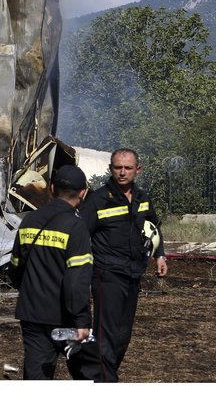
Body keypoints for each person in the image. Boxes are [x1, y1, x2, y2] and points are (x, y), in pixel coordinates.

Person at [70, 148, 169, 382]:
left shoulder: (143, 198)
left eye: (127, 168)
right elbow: (80, 235)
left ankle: (82, 363)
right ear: (110, 168)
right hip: (107, 276)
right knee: (106, 335)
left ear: (138, 170)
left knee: (123, 336)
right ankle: (106, 381)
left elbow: (153, 227)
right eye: (117, 167)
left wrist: (160, 256)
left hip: (133, 274)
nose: (122, 172)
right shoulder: (97, 200)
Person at [9, 164, 93, 380]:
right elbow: (76, 281)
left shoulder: (29, 220)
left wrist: (30, 290)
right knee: (87, 372)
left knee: (37, 377)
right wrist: (82, 321)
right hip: (64, 318)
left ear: (52, 189)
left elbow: (15, 268)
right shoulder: (76, 227)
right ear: (82, 193)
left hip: (32, 314)